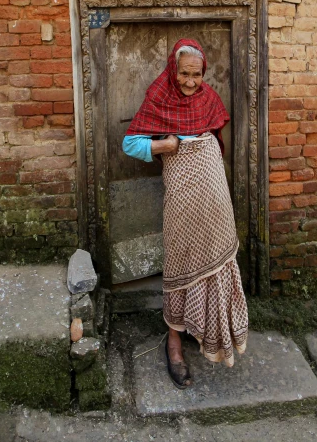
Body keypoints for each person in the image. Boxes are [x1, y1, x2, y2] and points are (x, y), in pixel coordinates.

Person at [122, 39, 248, 389]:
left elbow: (214, 131)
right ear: (172, 71)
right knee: (182, 254)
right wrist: (164, 145)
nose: (190, 82)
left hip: (213, 185)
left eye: (196, 74)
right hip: (181, 184)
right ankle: (174, 342)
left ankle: (211, 329)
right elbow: (129, 143)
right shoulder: (160, 96)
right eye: (184, 74)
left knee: (218, 255)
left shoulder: (208, 98)